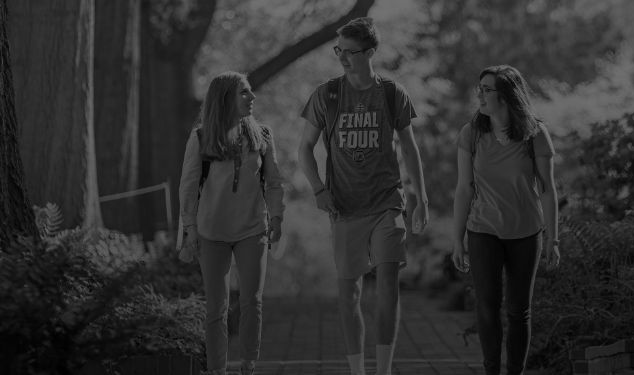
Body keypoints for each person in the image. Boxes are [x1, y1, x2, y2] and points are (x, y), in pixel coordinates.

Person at [296, 17, 430, 375]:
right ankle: (357, 370)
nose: (342, 57)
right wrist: (319, 190)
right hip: (344, 205)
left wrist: (421, 197)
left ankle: (383, 370)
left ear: (370, 52)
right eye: (338, 50)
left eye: (350, 52)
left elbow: (409, 146)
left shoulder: (391, 92)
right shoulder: (327, 94)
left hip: (387, 200)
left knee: (388, 280)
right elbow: (305, 149)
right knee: (349, 293)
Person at [450, 65, 560, 375]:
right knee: (486, 308)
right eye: (479, 89)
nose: (480, 95)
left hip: (526, 232)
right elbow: (463, 189)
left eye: (487, 89)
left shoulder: (535, 134)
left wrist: (554, 238)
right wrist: (457, 239)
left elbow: (548, 191)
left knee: (518, 312)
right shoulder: (471, 133)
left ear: (507, 95)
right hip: (483, 229)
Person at [177, 71, 285, 375]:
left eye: (250, 92)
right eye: (244, 93)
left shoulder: (262, 135)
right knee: (216, 310)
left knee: (253, 302)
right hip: (211, 233)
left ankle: (249, 366)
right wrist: (190, 228)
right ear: (225, 98)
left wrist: (276, 216)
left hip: (253, 229)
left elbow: (274, 182)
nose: (252, 98)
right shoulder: (200, 137)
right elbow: (187, 186)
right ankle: (217, 370)